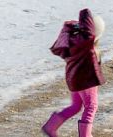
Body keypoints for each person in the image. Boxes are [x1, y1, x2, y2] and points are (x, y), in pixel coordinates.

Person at [42, 8, 106, 137]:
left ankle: (51, 127)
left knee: (76, 105)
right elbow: (87, 23)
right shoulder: (88, 47)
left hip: (73, 78)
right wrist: (85, 14)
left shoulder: (74, 42)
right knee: (91, 106)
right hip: (85, 80)